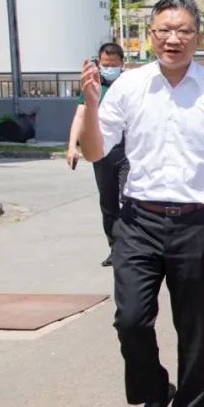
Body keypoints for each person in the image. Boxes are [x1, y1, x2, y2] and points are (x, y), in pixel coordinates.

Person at [77, 0, 204, 407]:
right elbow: (95, 151)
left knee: (194, 326)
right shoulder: (129, 87)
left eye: (183, 31)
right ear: (150, 35)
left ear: (197, 35)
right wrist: (90, 105)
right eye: (164, 31)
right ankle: (155, 391)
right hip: (139, 221)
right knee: (130, 320)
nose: (173, 39)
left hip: (199, 222)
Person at [66, 42, 130, 267]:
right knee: (108, 202)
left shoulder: (129, 85)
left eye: (113, 65)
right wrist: (72, 146)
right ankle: (115, 248)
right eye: (105, 64)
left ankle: (131, 246)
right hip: (101, 152)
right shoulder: (93, 85)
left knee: (129, 198)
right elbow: (80, 115)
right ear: (99, 63)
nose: (109, 68)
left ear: (122, 64)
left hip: (127, 151)